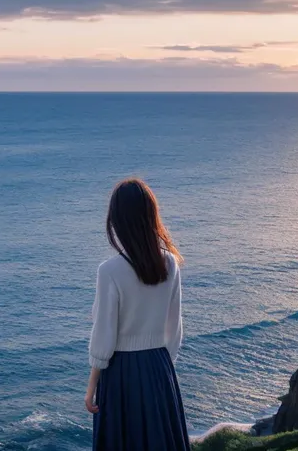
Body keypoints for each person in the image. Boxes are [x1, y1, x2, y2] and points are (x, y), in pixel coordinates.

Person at [84, 178, 190, 450]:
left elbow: (104, 336)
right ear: (150, 216)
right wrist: (161, 368)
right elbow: (174, 328)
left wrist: (92, 384)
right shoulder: (170, 263)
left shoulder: (110, 271)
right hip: (159, 366)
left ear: (117, 220)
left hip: (121, 372)